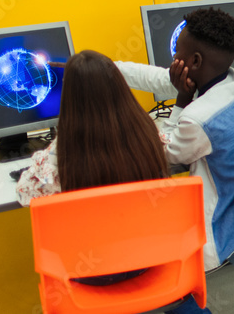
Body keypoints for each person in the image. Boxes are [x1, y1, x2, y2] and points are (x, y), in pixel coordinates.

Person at [115, 8, 234, 314]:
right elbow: (156, 78)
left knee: (150, 241)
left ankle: (188, 306)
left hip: (219, 220)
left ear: (194, 62)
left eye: (177, 52)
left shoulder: (198, 119)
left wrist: (179, 104)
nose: (173, 59)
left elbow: (164, 154)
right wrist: (109, 68)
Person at [16, 50, 170, 284]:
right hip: (150, 259)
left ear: (70, 97)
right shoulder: (148, 133)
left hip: (95, 273)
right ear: (120, 86)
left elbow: (25, 193)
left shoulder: (60, 156)